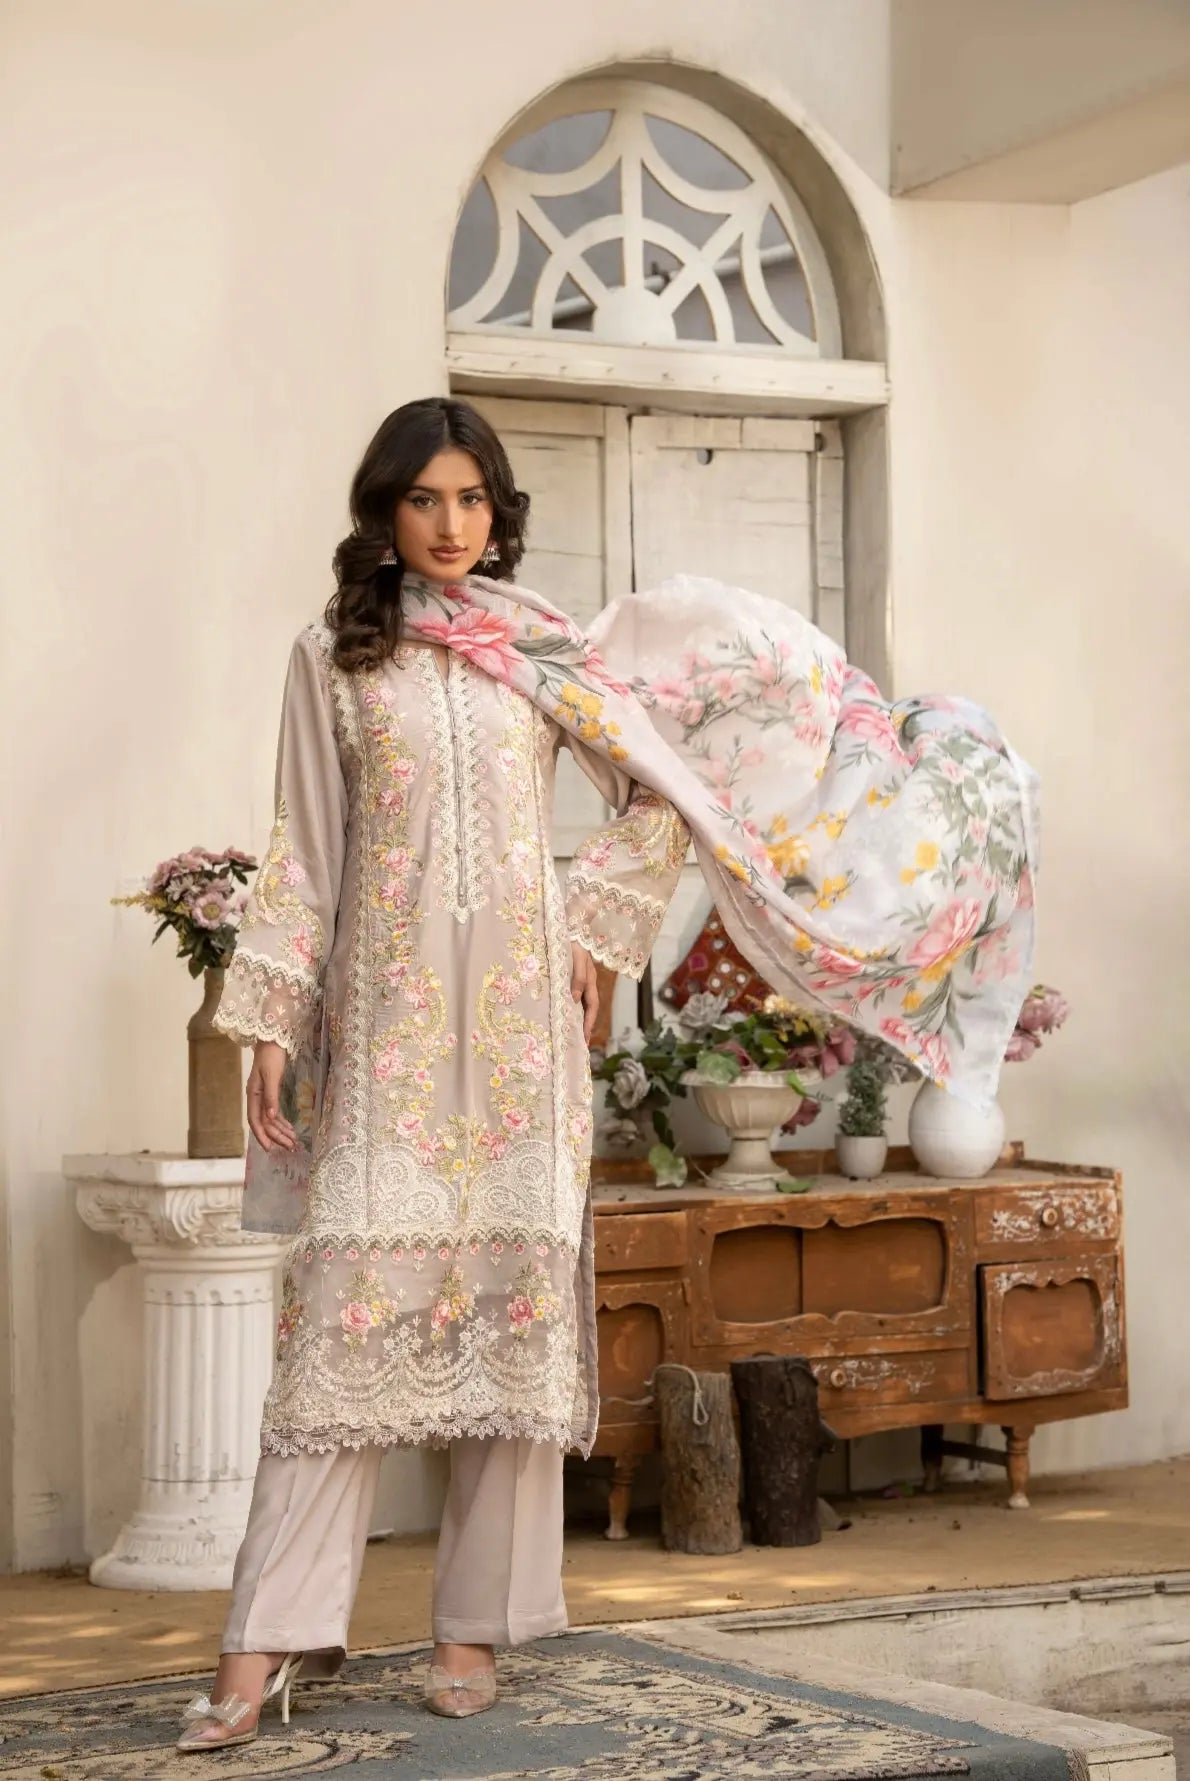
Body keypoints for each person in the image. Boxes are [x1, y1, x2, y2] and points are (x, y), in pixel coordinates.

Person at [177, 397, 691, 1751]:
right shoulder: (333, 654)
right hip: (391, 1030)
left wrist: (595, 930)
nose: (450, 525)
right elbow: (303, 852)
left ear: (496, 510)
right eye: (424, 500)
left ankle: (474, 1625)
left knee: (509, 1336)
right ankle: (266, 1636)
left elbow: (661, 791)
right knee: (339, 1342)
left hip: (521, 1040)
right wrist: (271, 1020)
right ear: (386, 512)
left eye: (470, 499)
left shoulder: (540, 648)